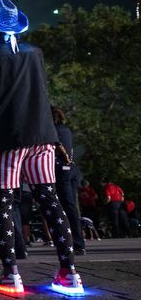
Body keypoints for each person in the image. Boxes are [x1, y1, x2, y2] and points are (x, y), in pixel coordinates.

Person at [0, 0, 84, 294]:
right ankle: (69, 271)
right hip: (41, 136)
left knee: (1, 202)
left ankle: (10, 273)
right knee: (49, 200)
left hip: (2, 140)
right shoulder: (35, 53)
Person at [51, 107, 85, 255]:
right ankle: (76, 241)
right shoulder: (66, 130)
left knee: (65, 206)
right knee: (71, 207)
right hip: (71, 170)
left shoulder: (54, 131)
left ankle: (74, 242)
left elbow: (57, 146)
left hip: (61, 169)